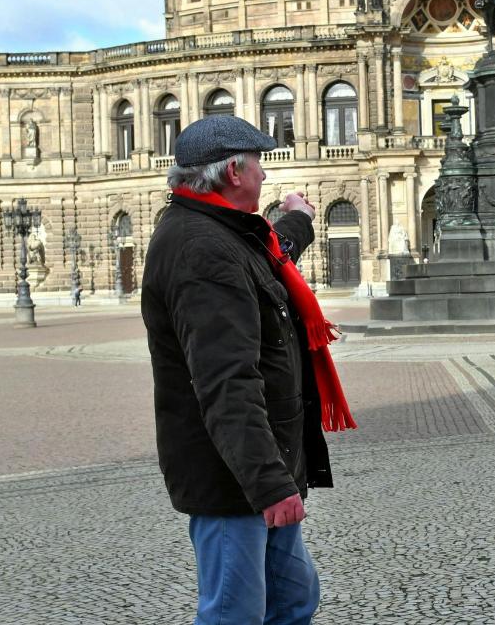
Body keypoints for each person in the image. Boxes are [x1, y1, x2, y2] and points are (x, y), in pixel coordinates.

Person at [142, 115, 356, 625]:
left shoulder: (220, 232)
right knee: (234, 614)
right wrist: (269, 484)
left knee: (293, 601)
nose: (265, 174)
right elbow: (225, 382)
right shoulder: (202, 250)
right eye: (259, 163)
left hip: (261, 464)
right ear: (235, 171)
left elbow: (265, 258)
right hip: (234, 480)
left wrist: (297, 218)